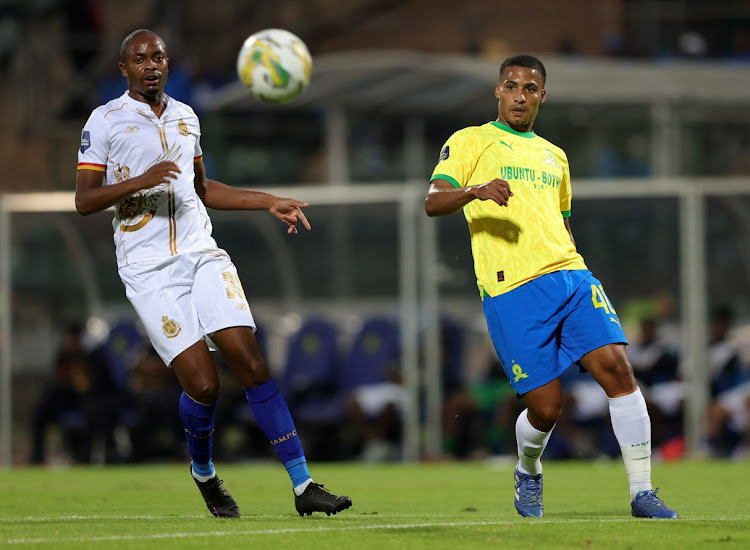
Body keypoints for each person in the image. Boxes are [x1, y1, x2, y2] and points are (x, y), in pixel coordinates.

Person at [74, 29, 352, 518]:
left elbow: (202, 188)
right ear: (124, 69)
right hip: (148, 268)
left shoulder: (186, 116)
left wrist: (268, 200)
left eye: (158, 56)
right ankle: (203, 473)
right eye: (140, 59)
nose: (151, 65)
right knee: (203, 386)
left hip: (203, 254)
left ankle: (304, 485)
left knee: (249, 360)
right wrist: (140, 180)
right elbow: (84, 200)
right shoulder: (105, 121)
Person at [424, 54, 677, 519]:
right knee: (547, 408)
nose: (520, 95)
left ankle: (642, 491)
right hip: (510, 290)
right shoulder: (470, 141)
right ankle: (528, 469)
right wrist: (475, 192)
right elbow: (433, 201)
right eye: (511, 86)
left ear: (543, 95)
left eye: (530, 88)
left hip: (571, 277)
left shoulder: (554, 155)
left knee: (619, 371)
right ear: (497, 91)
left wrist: (577, 266)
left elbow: (561, 223)